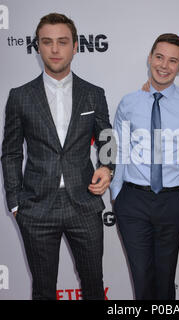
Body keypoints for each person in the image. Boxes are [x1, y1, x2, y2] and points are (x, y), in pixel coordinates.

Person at [1, 13, 114, 300]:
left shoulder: (94, 93)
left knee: (94, 287)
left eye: (62, 42)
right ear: (37, 46)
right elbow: (11, 151)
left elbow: (107, 138)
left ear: (75, 46)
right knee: (43, 291)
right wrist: (15, 202)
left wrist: (107, 167)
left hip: (85, 204)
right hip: (36, 208)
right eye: (47, 42)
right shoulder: (20, 96)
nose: (54, 49)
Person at [110, 33, 179, 300]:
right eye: (159, 57)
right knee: (141, 277)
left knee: (166, 279)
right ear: (150, 58)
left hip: (172, 201)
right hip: (132, 200)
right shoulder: (129, 102)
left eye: (173, 60)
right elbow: (118, 151)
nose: (164, 66)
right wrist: (117, 195)